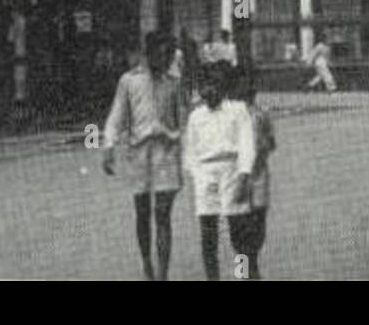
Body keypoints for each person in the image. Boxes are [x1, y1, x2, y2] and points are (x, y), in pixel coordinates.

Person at [102, 32, 183, 281]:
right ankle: (147, 263)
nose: (167, 59)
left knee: (163, 213)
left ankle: (163, 273)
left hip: (166, 151)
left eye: (170, 54)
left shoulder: (173, 82)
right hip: (139, 153)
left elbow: (182, 117)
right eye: (162, 53)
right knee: (142, 212)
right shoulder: (129, 81)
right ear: (149, 54)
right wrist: (108, 146)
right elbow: (117, 115)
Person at [183, 61, 257, 280]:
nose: (209, 90)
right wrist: (199, 177)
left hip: (232, 171)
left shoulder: (237, 110)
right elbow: (190, 152)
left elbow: (246, 145)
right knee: (208, 235)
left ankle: (243, 274)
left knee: (238, 234)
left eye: (214, 84)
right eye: (204, 85)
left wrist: (244, 175)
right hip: (206, 174)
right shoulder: (196, 117)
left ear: (223, 86)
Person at [235, 77, 275, 279]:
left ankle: (253, 260)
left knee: (259, 224)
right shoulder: (233, 117)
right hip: (238, 176)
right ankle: (242, 271)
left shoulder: (262, 113)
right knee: (240, 227)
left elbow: (272, 142)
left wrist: (262, 148)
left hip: (259, 174)